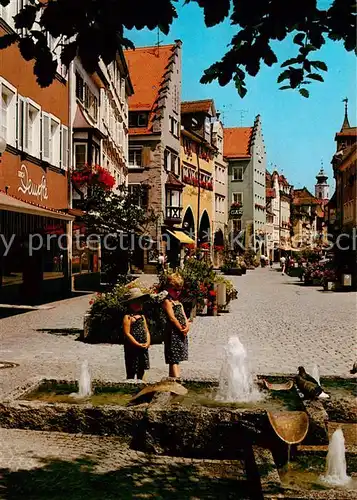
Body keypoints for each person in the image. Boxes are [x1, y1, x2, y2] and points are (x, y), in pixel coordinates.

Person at [162, 273, 190, 378]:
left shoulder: (178, 302)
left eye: (179, 290)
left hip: (180, 333)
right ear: (169, 288)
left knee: (177, 358)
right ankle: (176, 379)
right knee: (173, 359)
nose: (177, 293)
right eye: (175, 290)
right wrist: (180, 328)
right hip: (173, 333)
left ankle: (173, 379)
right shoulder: (167, 301)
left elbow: (184, 316)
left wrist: (187, 326)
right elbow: (172, 318)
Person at [122, 288, 151, 380]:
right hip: (132, 347)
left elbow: (146, 331)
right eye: (135, 302)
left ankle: (140, 385)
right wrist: (136, 343)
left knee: (141, 368)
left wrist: (148, 342)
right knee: (131, 368)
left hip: (142, 346)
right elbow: (127, 333)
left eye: (140, 301)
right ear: (130, 304)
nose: (138, 304)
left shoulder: (142, 316)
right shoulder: (128, 317)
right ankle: (130, 385)